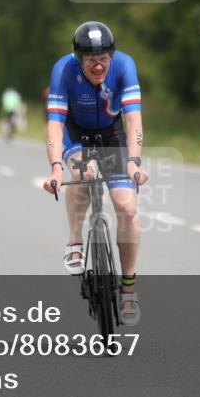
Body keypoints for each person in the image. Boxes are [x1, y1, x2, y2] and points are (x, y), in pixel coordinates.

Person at [42, 21, 149, 326]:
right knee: (82, 175)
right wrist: (56, 168)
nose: (98, 65)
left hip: (112, 135)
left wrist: (135, 161)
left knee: (128, 208)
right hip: (75, 136)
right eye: (90, 59)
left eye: (103, 57)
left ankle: (128, 289)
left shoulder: (125, 66)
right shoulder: (63, 70)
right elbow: (54, 125)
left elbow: (133, 121)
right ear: (78, 58)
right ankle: (75, 242)